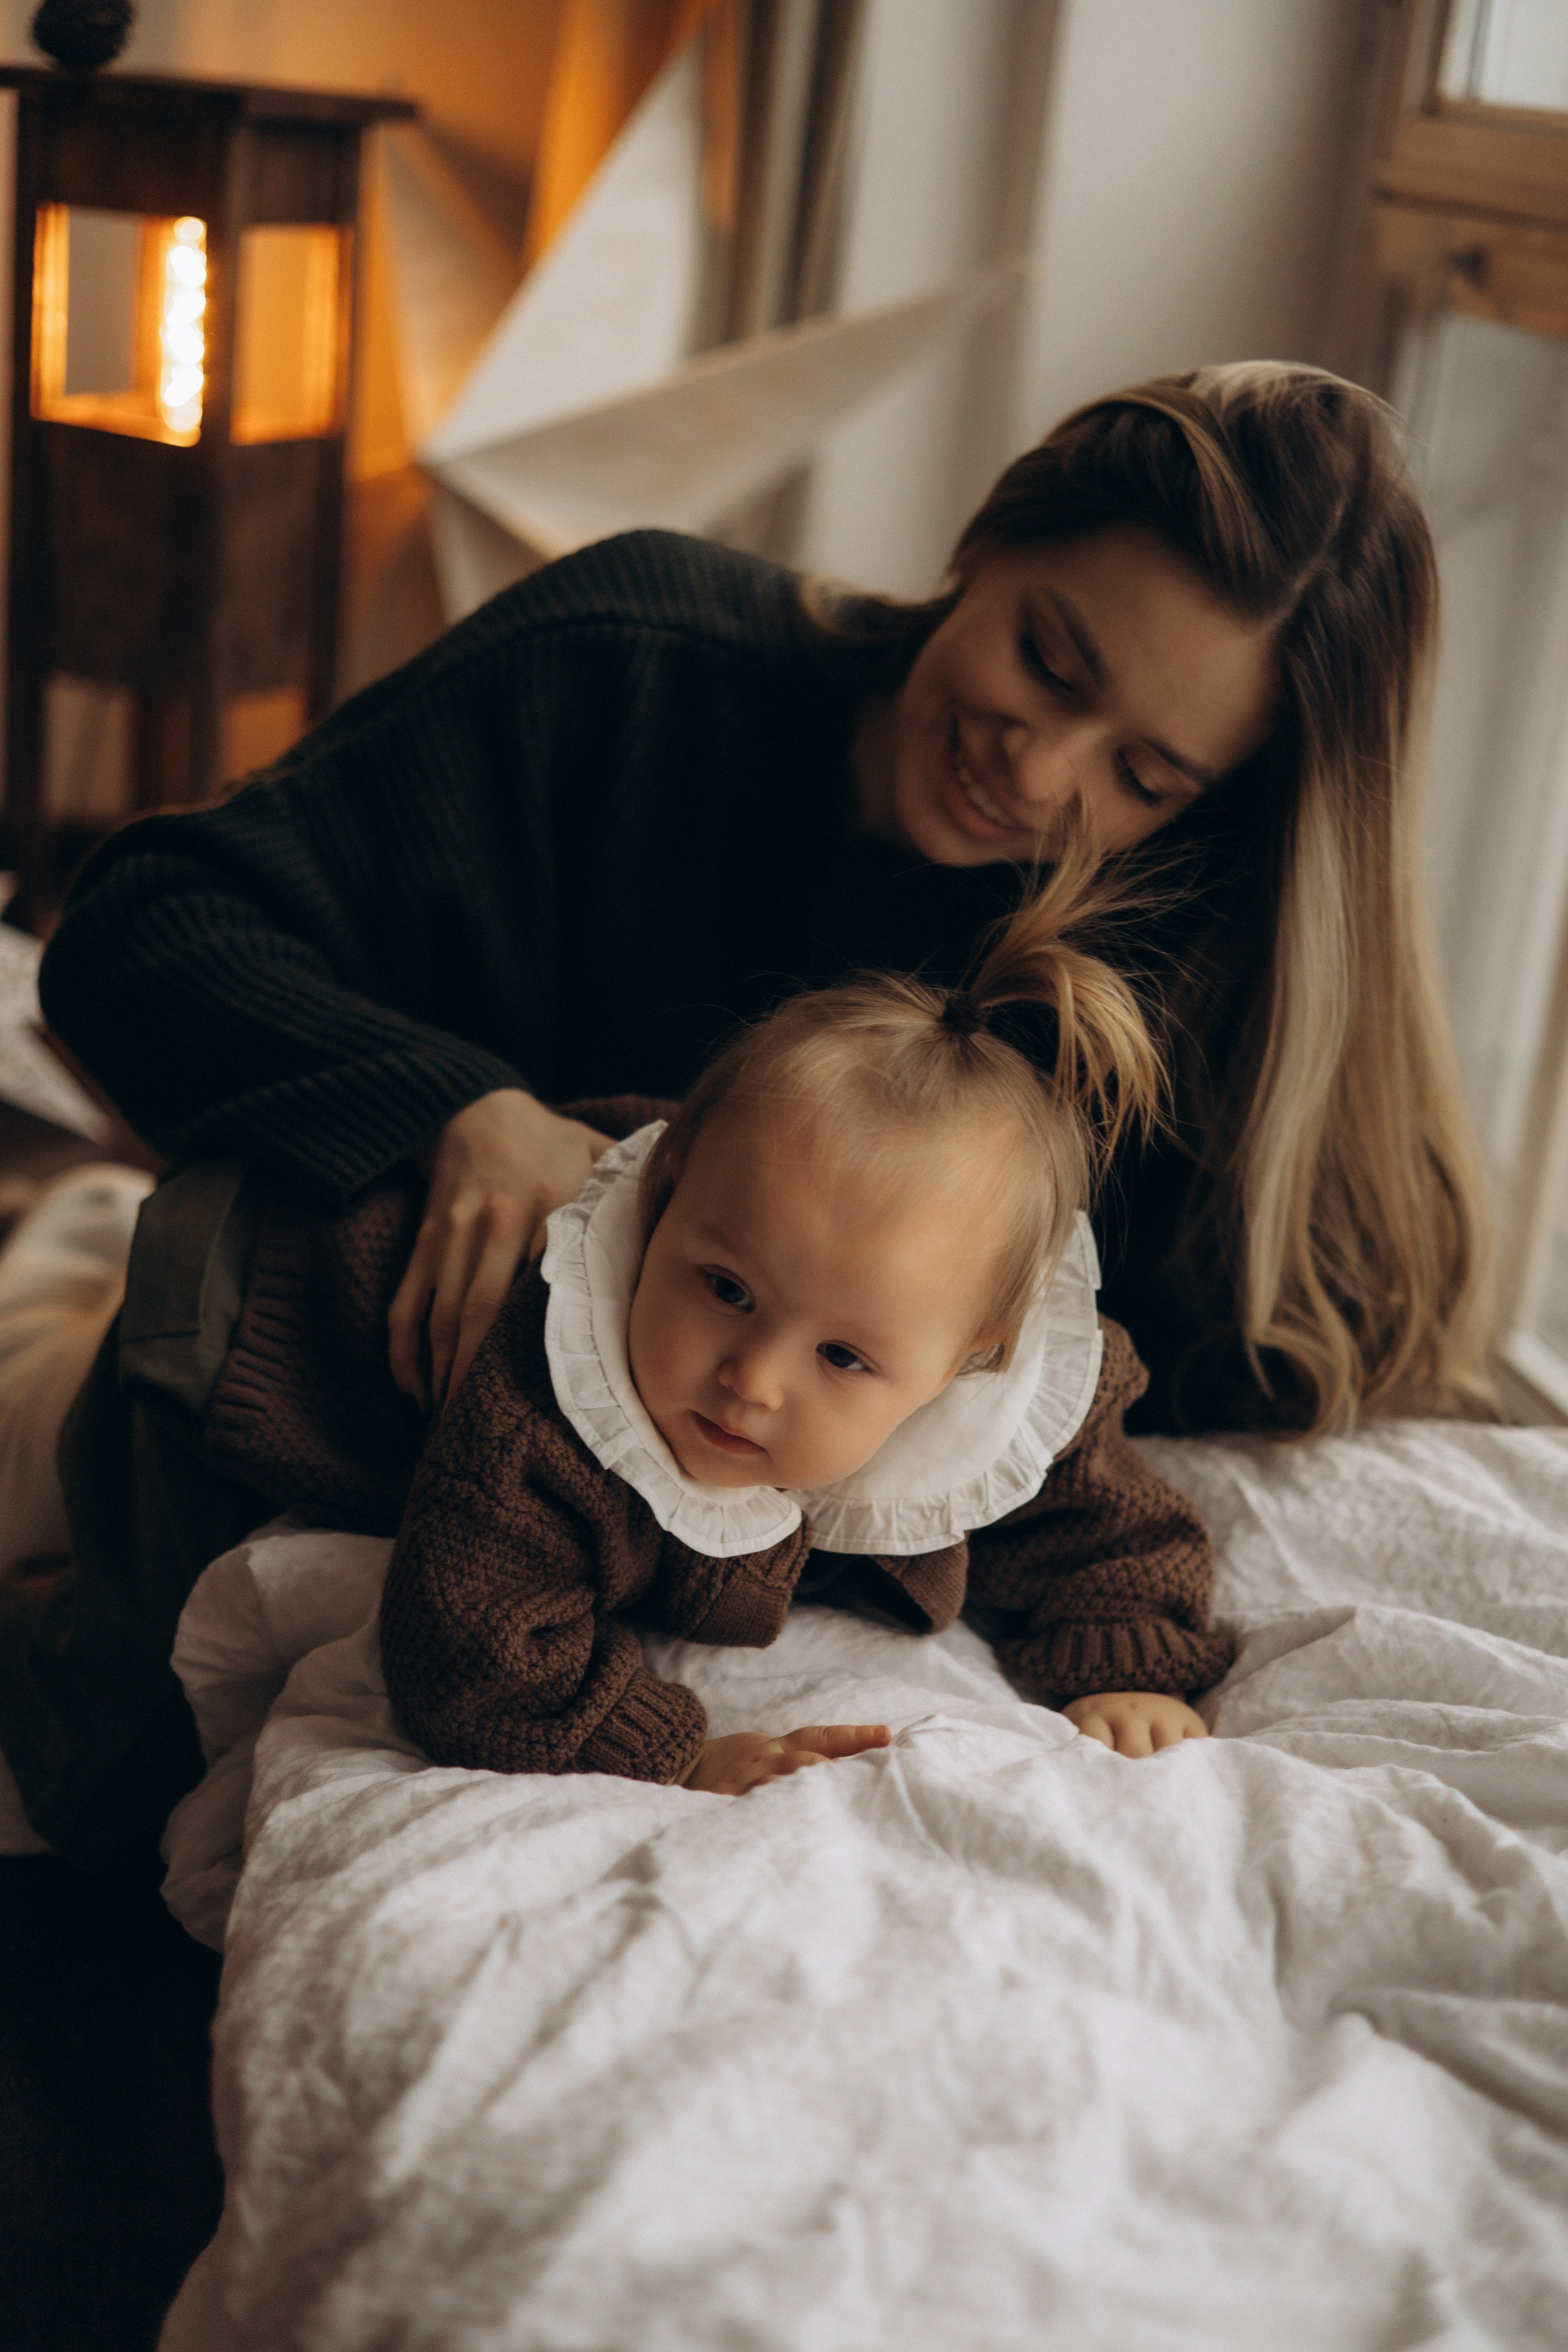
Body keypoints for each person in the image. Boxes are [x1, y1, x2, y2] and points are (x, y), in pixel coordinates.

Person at [0, 361, 1488, 1860]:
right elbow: (141, 929)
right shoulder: (632, 662)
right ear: (992, 536)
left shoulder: (1144, 955)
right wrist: (457, 1107)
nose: (1036, 771)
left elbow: (1118, 1403)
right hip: (288, 1346)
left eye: (1145, 772)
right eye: (1045, 658)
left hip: (551, 1519)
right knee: (100, 1779)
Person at [379, 847, 1231, 1791]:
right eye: (727, 1290)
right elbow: (467, 1642)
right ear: (666, 1196)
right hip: (250, 1302)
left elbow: (1110, 1529)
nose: (752, 1379)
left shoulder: (997, 1398)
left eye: (841, 1356)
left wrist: (1135, 1667)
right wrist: (669, 1753)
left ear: (969, 1362)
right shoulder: (549, 1391)